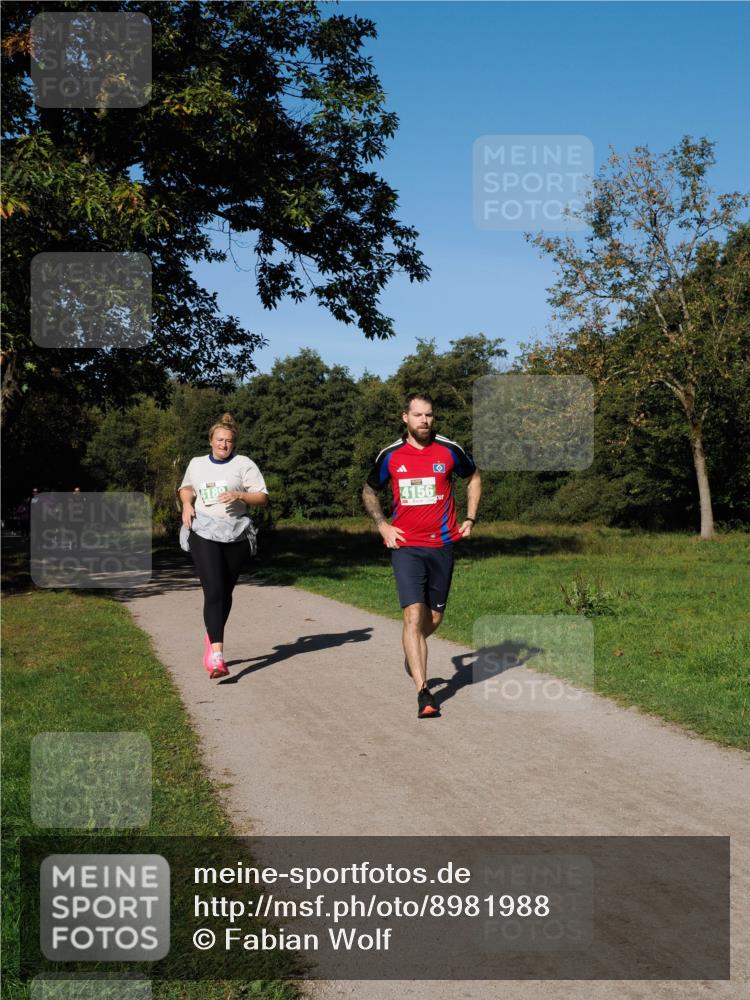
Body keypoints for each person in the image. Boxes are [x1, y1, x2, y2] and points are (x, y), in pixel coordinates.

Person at [362, 393, 481, 718]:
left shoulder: (449, 449)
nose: (424, 421)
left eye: (428, 415)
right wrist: (382, 525)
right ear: (405, 418)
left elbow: (473, 477)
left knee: (434, 619)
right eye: (417, 415)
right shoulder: (390, 455)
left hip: (442, 544)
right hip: (406, 546)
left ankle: (411, 648)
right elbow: (370, 490)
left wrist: (470, 518)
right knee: (413, 616)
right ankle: (424, 693)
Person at [178, 413, 269, 679]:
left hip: (235, 534)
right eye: (219, 440)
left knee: (225, 593)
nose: (223, 445)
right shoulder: (196, 464)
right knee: (214, 589)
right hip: (203, 530)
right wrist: (186, 503)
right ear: (210, 441)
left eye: (228, 441)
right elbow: (186, 488)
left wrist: (240, 494)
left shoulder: (243, 464)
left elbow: (262, 497)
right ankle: (217, 655)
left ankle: (211, 636)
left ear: (233, 443)